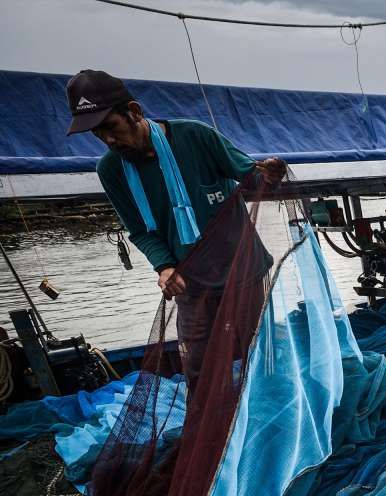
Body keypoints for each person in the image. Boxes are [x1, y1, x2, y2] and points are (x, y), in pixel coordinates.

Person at [65, 69, 286, 386]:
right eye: (97, 134)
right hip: (189, 278)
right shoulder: (111, 169)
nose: (108, 140)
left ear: (135, 112)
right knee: (198, 363)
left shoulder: (195, 136)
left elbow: (252, 180)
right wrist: (165, 266)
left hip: (242, 266)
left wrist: (270, 175)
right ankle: (212, 427)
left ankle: (273, 412)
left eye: (111, 127)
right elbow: (140, 231)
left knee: (260, 352)